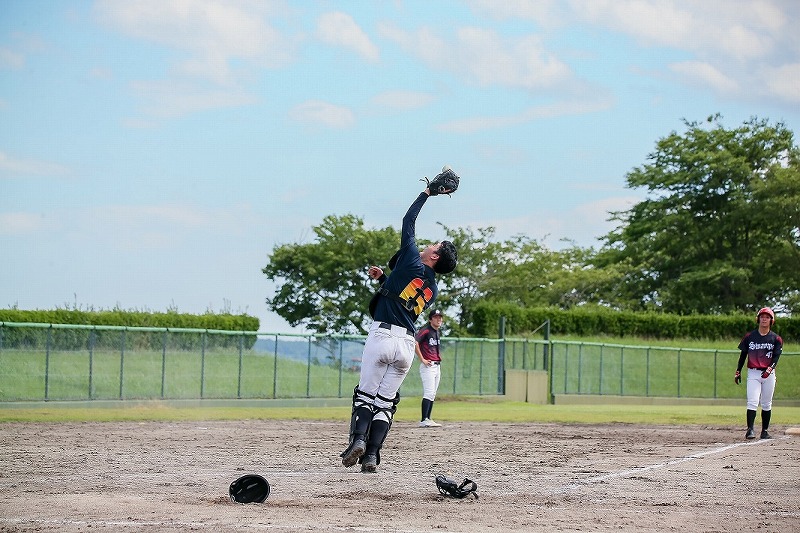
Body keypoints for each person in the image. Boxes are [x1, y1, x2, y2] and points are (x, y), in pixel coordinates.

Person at [340, 173, 457, 474]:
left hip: (382, 336)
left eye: (434, 244)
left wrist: (427, 193)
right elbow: (403, 295)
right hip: (406, 345)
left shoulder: (412, 259)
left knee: (365, 395)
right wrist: (384, 279)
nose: (429, 244)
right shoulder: (433, 288)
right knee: (385, 402)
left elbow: (408, 221)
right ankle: (371, 456)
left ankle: (357, 440)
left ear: (434, 255)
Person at [735, 307, 783, 440]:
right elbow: (743, 354)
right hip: (754, 373)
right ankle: (750, 430)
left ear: (771, 320)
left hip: (769, 374)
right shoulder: (750, 336)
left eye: (767, 317)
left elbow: (776, 357)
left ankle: (764, 431)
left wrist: (770, 369)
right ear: (758, 319)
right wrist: (738, 370)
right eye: (762, 317)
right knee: (752, 401)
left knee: (766, 403)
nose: (764, 319)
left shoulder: (776, 338)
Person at [416, 309, 444, 427]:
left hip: (436, 366)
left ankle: (428, 418)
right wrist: (422, 359)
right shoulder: (426, 330)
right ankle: (424, 419)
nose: (439, 319)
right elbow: (415, 342)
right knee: (429, 392)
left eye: (440, 317)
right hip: (428, 365)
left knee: (432, 393)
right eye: (436, 317)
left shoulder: (436, 331)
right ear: (430, 319)